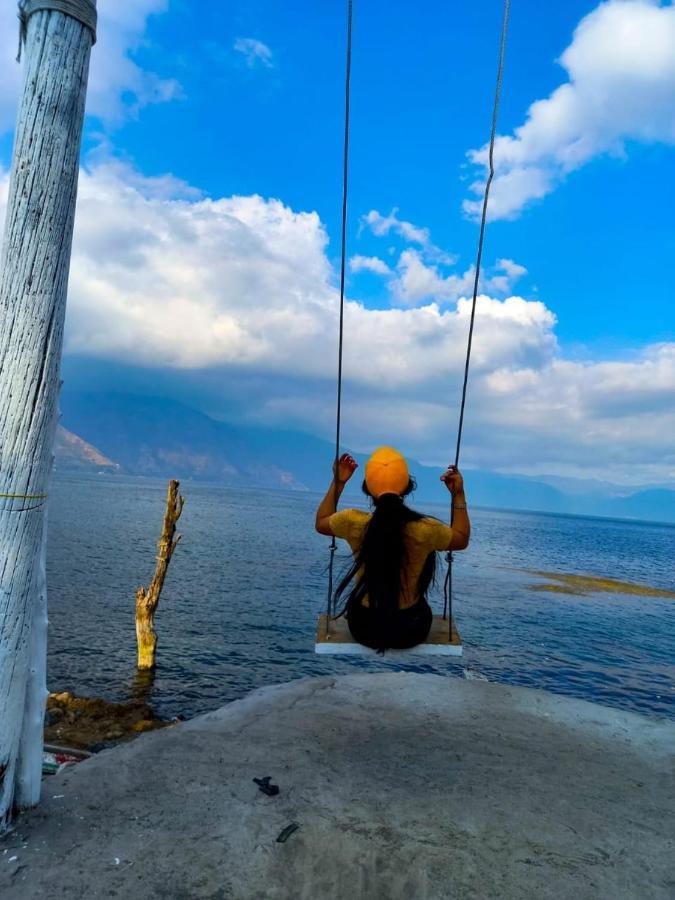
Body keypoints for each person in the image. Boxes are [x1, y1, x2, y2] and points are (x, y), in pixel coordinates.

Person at [315, 446, 470, 652]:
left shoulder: (352, 521)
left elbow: (321, 522)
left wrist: (339, 482)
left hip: (364, 627)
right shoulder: (426, 529)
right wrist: (458, 495)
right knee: (421, 607)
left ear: (368, 489)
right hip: (409, 629)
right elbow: (461, 539)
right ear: (407, 487)